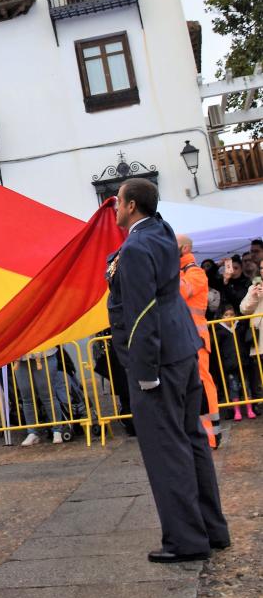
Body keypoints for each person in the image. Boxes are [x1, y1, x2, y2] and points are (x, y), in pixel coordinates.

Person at [106, 178, 229, 563]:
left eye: (118, 203)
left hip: (158, 361)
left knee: (167, 450)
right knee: (192, 441)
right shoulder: (161, 230)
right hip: (183, 351)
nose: (114, 209)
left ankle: (186, 541)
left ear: (130, 207)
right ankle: (212, 530)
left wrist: (143, 372)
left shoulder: (139, 244)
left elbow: (141, 313)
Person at [177, 235, 221, 449]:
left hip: (196, 340)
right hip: (185, 340)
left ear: (184, 249)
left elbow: (180, 292)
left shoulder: (195, 273)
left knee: (202, 384)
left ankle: (211, 435)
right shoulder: (181, 273)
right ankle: (200, 435)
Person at [14, 347, 64, 446]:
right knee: (26, 398)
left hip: (45, 354)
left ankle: (57, 430)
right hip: (20, 357)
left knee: (48, 395)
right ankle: (32, 432)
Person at [239, 257, 263, 408]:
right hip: (259, 340)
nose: (262, 271)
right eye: (261, 268)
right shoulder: (255, 286)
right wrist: (254, 296)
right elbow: (243, 309)